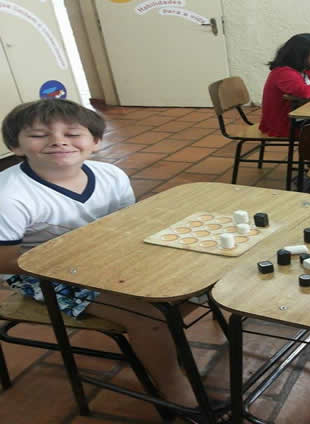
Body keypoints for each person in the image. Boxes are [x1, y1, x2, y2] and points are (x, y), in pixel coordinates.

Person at [0, 99, 199, 408]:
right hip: (38, 272)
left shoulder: (110, 175)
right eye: (39, 135)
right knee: (149, 316)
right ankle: (171, 381)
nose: (58, 141)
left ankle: (157, 344)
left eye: (72, 133)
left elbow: (127, 224)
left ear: (95, 142)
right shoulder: (9, 195)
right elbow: (5, 261)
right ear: (16, 146)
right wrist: (81, 265)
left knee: (194, 283)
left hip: (105, 256)